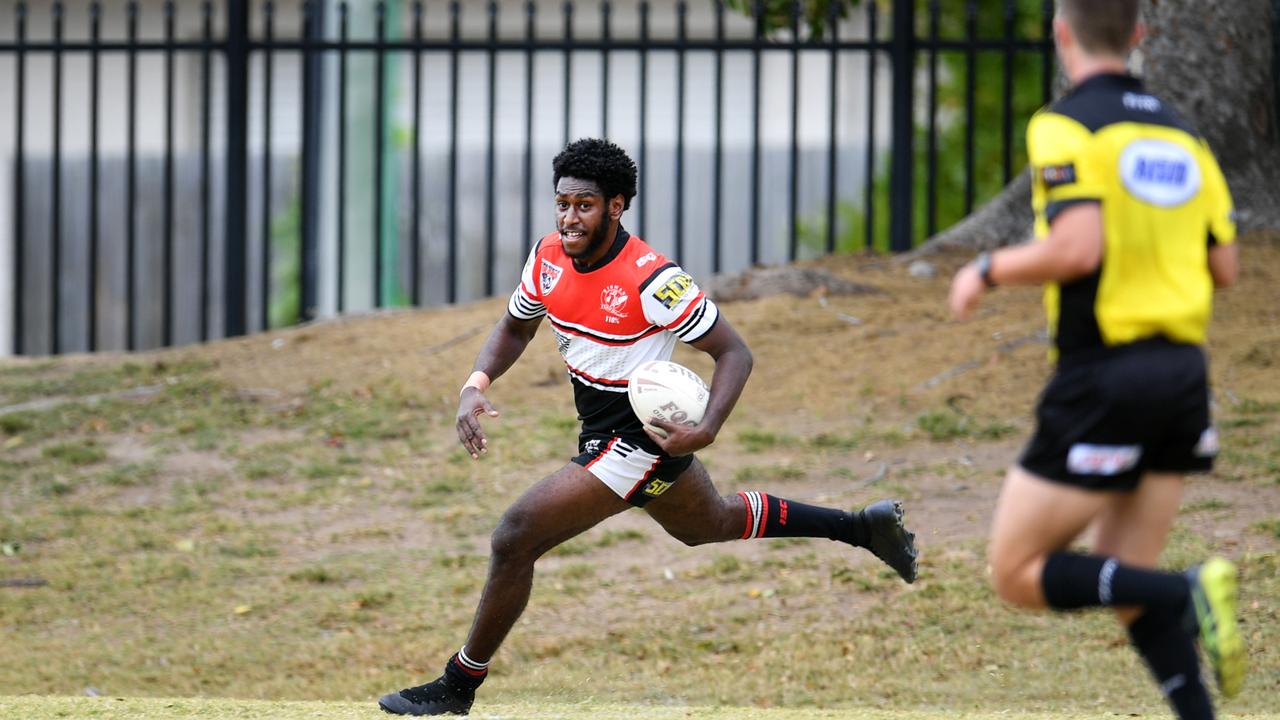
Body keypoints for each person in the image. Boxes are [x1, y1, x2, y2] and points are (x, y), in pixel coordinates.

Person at [379, 138, 919, 716]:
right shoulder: (547, 257)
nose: (569, 217)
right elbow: (516, 327)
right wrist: (474, 386)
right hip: (599, 433)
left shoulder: (653, 280)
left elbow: (734, 352)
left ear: (617, 205)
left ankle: (458, 685)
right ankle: (863, 528)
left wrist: (707, 428)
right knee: (709, 523)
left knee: (515, 537)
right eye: (561, 203)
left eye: (584, 205)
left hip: (639, 439)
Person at [948, 1, 1244, 718]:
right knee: (1123, 581)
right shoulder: (1183, 135)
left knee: (1017, 571)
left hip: (1107, 374)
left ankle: (1188, 589)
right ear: (1140, 35)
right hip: (1183, 375)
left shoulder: (1067, 123)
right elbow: (1224, 264)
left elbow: (1079, 247)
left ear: (1061, 33)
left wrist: (986, 269)